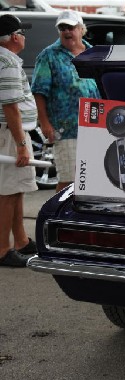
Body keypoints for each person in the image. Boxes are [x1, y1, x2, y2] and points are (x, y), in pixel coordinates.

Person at [31, 10, 100, 193]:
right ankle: (59, 217)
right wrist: (45, 123)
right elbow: (39, 92)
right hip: (66, 128)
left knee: (91, 180)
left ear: (81, 29)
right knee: (69, 180)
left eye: (71, 27)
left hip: (95, 126)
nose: (67, 32)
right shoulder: (49, 55)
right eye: (62, 28)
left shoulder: (93, 53)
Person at [0, 14, 38, 267]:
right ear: (14, 37)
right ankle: (3, 249)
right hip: (11, 134)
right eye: (22, 33)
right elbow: (10, 107)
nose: (24, 36)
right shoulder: (8, 61)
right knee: (8, 193)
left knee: (16, 190)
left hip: (12, 133)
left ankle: (21, 240)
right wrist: (22, 144)